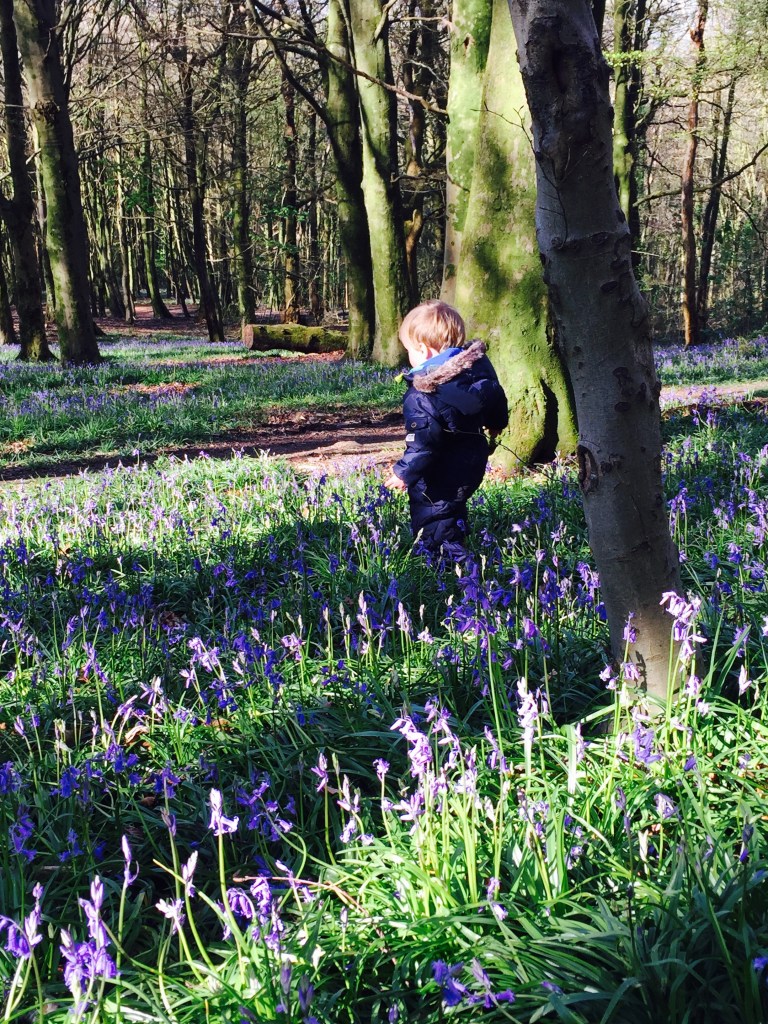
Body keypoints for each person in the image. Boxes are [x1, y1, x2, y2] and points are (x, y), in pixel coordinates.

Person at [385, 300, 509, 553]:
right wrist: (496, 424)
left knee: (433, 509)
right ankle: (457, 533)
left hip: (441, 465)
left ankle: (446, 562)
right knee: (453, 503)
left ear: (423, 349)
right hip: (473, 458)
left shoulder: (423, 392)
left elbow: (424, 444)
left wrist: (403, 473)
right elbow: (496, 398)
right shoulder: (477, 374)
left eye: (409, 349)